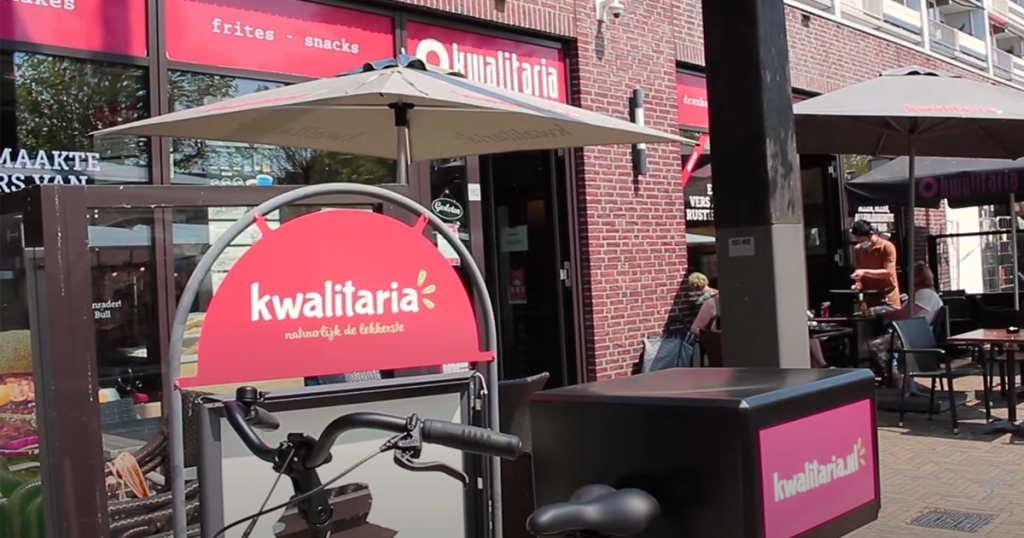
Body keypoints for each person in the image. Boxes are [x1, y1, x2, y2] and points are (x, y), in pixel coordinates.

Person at [687, 272, 829, 368]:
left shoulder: (747, 302)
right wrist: (717, 339)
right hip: (731, 350)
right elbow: (695, 328)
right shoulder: (713, 303)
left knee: (805, 337)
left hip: (752, 345)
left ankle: (820, 367)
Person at [868, 262, 943, 392]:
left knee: (876, 345)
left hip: (914, 338)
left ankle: (895, 377)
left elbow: (904, 314)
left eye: (912, 276)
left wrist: (882, 313)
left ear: (918, 277)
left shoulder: (924, 294)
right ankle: (897, 377)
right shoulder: (929, 294)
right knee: (886, 340)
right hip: (917, 336)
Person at [850, 220, 901, 309]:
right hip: (869, 296)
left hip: (887, 296)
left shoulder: (886, 247)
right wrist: (858, 283)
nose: (861, 243)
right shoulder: (858, 249)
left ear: (871, 234)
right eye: (858, 241)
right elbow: (859, 270)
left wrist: (864, 272)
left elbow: (888, 272)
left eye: (862, 241)